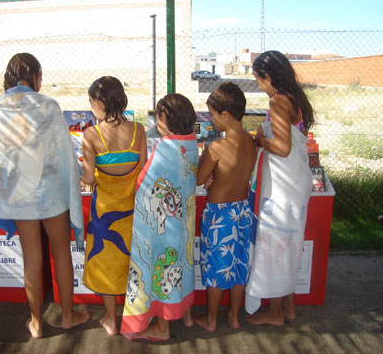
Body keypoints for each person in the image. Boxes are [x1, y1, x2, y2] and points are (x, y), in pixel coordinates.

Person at [0, 53, 89, 339]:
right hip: (51, 193)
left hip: (20, 195)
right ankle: (67, 316)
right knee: (62, 253)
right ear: (36, 75)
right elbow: (64, 153)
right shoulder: (49, 105)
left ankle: (37, 324)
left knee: (31, 258)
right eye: (41, 75)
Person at [120, 93, 198, 341]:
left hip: (162, 230)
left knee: (162, 270)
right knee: (182, 267)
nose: (156, 122)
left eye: (159, 116)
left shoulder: (165, 147)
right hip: (182, 225)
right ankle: (185, 313)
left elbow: (145, 182)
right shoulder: (191, 144)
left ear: (167, 120)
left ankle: (162, 328)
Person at [245, 50, 314, 326]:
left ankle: (275, 313)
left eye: (258, 79)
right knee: (290, 243)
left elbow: (283, 148)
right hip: (296, 181)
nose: (259, 85)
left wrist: (260, 140)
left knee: (275, 242)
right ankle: (288, 307)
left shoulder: (278, 102)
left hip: (282, 186)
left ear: (268, 77)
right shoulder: (296, 99)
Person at [81, 76, 147, 336]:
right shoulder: (138, 130)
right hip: (133, 212)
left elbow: (87, 178)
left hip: (103, 212)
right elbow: (142, 171)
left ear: (98, 102)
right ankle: (135, 316)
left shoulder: (91, 135)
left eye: (90, 103)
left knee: (106, 263)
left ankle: (111, 320)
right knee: (132, 262)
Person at [193, 83, 257, 331]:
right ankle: (233, 315)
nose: (210, 119)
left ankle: (210, 320)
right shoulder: (251, 142)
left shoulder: (217, 147)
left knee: (215, 269)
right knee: (240, 264)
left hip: (220, 215)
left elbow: (199, 178)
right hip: (242, 211)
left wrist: (208, 177)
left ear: (225, 116)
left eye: (211, 114)